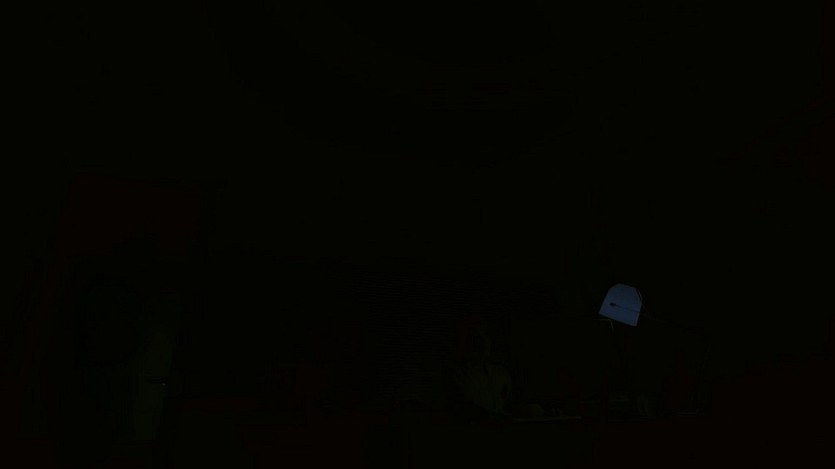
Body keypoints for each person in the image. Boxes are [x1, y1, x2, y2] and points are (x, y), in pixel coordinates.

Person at [446, 314, 512, 423]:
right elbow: (462, 408)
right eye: (475, 336)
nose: (483, 341)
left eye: (485, 335)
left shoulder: (501, 374)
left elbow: (507, 406)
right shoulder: (456, 374)